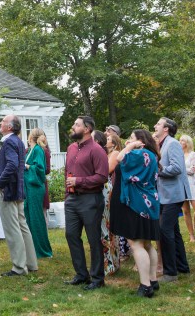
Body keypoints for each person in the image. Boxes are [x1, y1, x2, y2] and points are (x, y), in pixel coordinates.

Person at [63, 116, 109, 290]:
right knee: (71, 235)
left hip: (90, 199)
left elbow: (102, 177)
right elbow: (67, 173)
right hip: (72, 199)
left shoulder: (97, 150)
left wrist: (79, 181)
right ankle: (81, 274)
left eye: (77, 124)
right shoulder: (71, 148)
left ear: (87, 129)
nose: (73, 126)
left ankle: (97, 278)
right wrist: (67, 195)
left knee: (93, 239)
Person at [114, 129, 161, 298]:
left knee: (136, 244)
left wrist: (130, 146)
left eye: (132, 138)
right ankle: (153, 280)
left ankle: (145, 285)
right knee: (147, 243)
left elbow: (119, 158)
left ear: (141, 140)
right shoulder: (152, 155)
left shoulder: (138, 153)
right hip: (150, 201)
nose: (128, 140)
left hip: (136, 202)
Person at [0, 114, 38, 277]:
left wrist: (0, 183)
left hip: (9, 190)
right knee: (22, 226)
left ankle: (19, 267)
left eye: (3, 121)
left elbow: (12, 165)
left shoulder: (9, 141)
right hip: (17, 189)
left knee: (12, 228)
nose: (0, 123)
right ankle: (31, 263)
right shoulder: (17, 141)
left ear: (10, 127)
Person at [153, 117, 190, 283]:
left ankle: (170, 273)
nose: (155, 126)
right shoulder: (161, 144)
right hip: (164, 195)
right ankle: (182, 266)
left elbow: (177, 168)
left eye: (158, 124)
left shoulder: (172, 143)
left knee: (164, 231)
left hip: (173, 194)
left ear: (166, 128)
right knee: (173, 231)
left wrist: (156, 170)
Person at [24, 128, 52, 259]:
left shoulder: (38, 150)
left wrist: (27, 166)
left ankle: (43, 250)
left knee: (36, 218)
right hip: (28, 187)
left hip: (35, 187)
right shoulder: (31, 149)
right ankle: (32, 248)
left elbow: (41, 169)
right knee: (28, 216)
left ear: (31, 136)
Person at [97, 130, 120, 276]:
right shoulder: (106, 154)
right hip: (103, 188)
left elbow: (107, 170)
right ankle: (109, 262)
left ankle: (110, 264)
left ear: (115, 143)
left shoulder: (115, 153)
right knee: (104, 227)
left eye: (109, 139)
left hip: (108, 189)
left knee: (107, 226)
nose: (106, 140)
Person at [180, 135, 195, 242]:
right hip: (181, 184)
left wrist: (180, 169)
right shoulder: (179, 154)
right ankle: (191, 235)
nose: (180, 142)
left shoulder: (193, 154)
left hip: (191, 184)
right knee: (185, 210)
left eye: (182, 140)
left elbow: (193, 171)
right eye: (179, 140)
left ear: (187, 142)